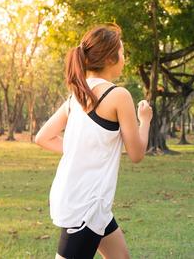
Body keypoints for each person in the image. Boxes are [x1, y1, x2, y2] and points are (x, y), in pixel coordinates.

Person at [35, 23, 153, 259]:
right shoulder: (118, 95)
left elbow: (43, 137)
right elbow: (137, 153)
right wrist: (145, 119)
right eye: (122, 52)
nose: (124, 58)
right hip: (85, 206)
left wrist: (80, 151)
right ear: (110, 58)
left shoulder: (77, 96)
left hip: (90, 202)